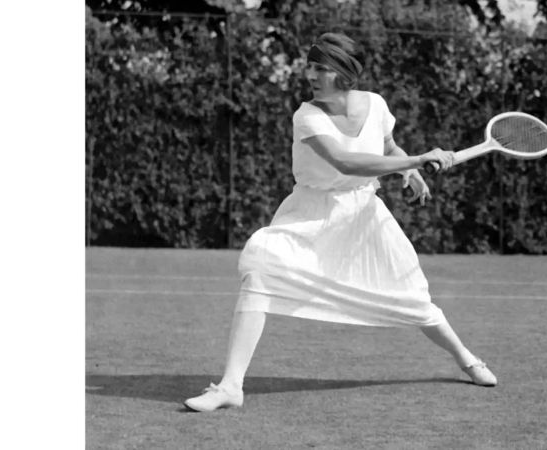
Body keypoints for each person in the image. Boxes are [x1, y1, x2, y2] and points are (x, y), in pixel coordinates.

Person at [184, 32, 496, 412]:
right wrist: (415, 161)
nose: (311, 75)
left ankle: (466, 359)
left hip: (365, 218)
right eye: (310, 66)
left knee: (413, 298)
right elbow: (346, 162)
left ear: (345, 73)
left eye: (322, 68)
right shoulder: (307, 116)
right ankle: (231, 387)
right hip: (310, 214)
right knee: (260, 268)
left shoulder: (376, 105)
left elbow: (386, 148)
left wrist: (407, 172)